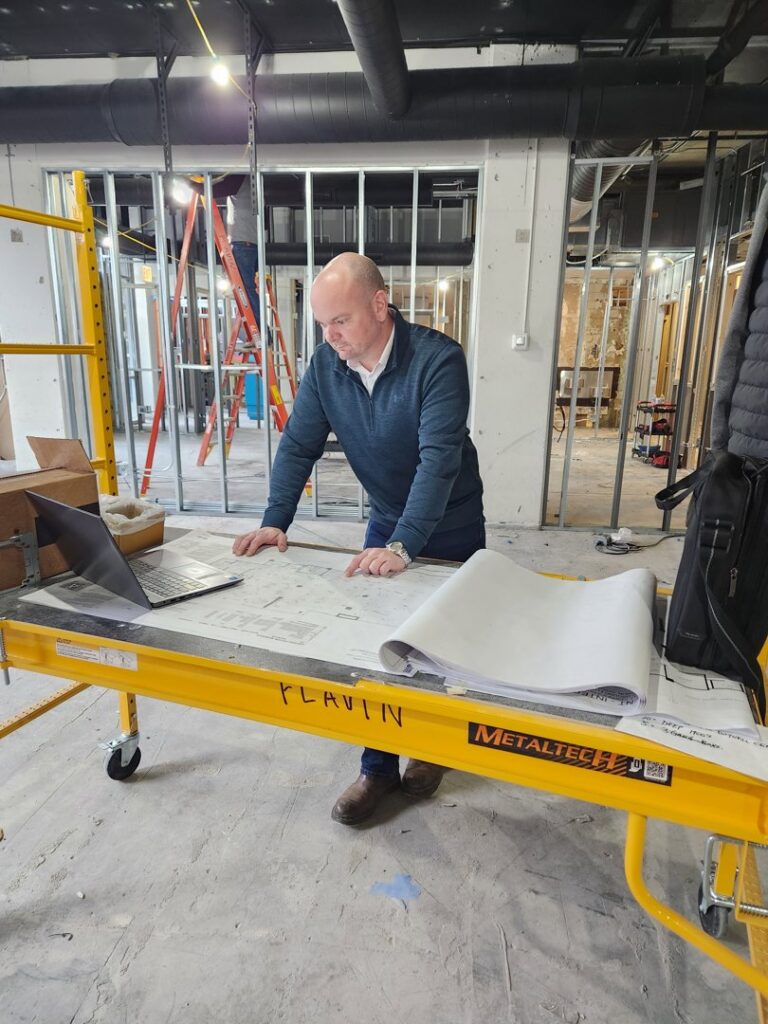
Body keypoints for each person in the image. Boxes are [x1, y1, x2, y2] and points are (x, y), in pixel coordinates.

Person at [233, 252, 485, 825]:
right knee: (378, 647)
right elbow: (299, 445)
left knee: (442, 644)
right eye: (323, 324)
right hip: (387, 518)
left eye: (340, 321)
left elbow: (438, 460)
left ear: (379, 304)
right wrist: (277, 519)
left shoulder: (438, 361)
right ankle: (376, 768)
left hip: (450, 519)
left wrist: (405, 545)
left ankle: (434, 750)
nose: (331, 336)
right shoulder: (328, 367)